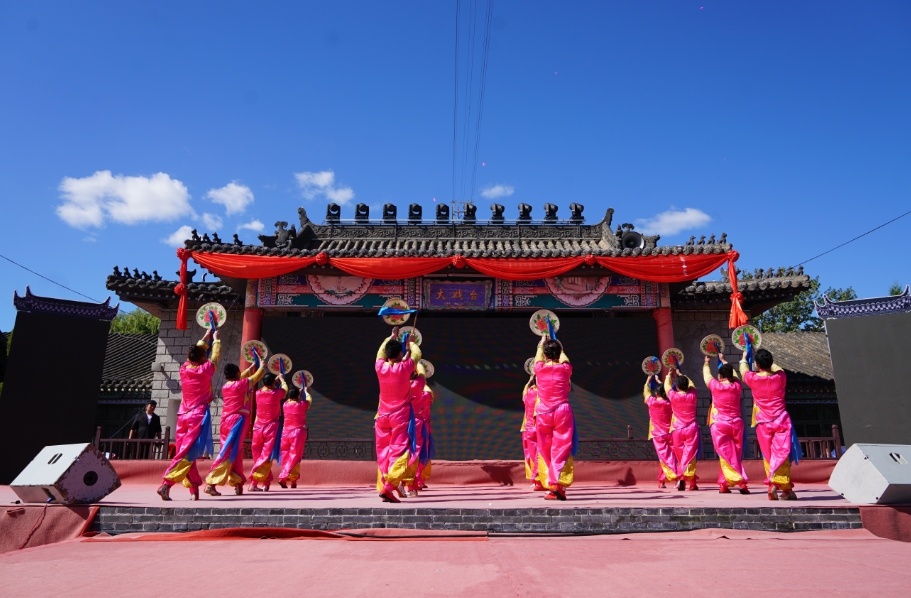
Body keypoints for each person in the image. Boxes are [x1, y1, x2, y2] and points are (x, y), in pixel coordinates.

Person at [157, 328, 220, 501]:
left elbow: (196, 355)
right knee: (186, 453)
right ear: (202, 358)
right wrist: (216, 340)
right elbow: (215, 357)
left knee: (186, 451)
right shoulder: (205, 369)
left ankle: (193, 490)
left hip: (183, 415)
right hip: (197, 415)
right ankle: (166, 483)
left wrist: (205, 337)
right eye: (204, 355)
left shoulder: (184, 368)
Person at [203, 354, 265, 497]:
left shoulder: (227, 386)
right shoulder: (240, 385)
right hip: (236, 421)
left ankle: (237, 482)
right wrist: (262, 366)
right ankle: (211, 483)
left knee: (235, 451)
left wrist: (250, 367)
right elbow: (256, 377)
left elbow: (243, 377)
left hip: (226, 421)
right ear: (236, 373)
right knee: (228, 452)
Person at [740, 348, 799, 500]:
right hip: (781, 419)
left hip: (763, 422)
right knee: (782, 453)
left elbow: (743, 370)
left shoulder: (753, 378)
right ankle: (785, 488)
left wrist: (744, 357)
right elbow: (778, 368)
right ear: (771, 362)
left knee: (768, 455)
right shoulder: (780, 377)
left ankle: (772, 484)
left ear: (757, 365)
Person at [374, 326, 422, 503]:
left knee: (383, 452)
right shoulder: (405, 367)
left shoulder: (379, 366)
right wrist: (411, 343)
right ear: (400, 354)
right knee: (400, 452)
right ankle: (389, 487)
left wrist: (391, 337)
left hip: (382, 416)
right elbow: (417, 354)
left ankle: (387, 484)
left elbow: (380, 352)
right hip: (400, 416)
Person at [534, 338, 575, 501]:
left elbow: (538, 357)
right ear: (559, 353)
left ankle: (552, 485)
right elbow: (565, 358)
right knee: (561, 448)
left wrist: (541, 344)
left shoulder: (539, 368)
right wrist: (559, 345)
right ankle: (557, 484)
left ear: (545, 355)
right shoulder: (566, 369)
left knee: (545, 448)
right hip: (562, 411)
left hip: (544, 413)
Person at [703, 355, 749, 494]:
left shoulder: (715, 385)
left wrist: (706, 362)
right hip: (736, 424)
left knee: (726, 455)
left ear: (720, 376)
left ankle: (740, 482)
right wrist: (724, 361)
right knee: (734, 454)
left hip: (720, 425)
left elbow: (706, 375)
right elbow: (734, 375)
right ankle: (724, 484)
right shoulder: (737, 386)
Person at [248, 372, 288, 492]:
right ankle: (254, 482)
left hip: (257, 428)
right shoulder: (276, 393)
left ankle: (265, 482)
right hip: (271, 428)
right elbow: (285, 390)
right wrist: (282, 379)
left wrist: (274, 382)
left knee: (258, 457)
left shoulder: (257, 393)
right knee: (266, 457)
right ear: (273, 383)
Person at [665, 366, 699, 491]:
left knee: (680, 456)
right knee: (690, 456)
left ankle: (682, 478)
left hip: (677, 429)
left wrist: (669, 375)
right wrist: (681, 374)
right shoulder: (693, 394)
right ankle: (692, 482)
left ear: (677, 387)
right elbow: (692, 384)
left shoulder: (673, 395)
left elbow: (667, 386)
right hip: (691, 429)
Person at [403, 362, 434, 497]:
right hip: (417, 424)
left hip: (403, 423)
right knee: (417, 453)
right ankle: (412, 482)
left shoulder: (401, 388)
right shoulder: (424, 392)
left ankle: (411, 482)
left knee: (406, 452)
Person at [643, 375, 677, 489]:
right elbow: (667, 389)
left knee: (664, 457)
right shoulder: (669, 402)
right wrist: (659, 381)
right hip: (670, 433)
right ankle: (664, 480)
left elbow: (646, 392)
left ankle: (675, 477)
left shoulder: (652, 401)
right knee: (671, 457)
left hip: (658, 435)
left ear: (656, 393)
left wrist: (648, 381)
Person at [278, 386, 312, 488]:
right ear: (297, 396)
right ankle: (284, 477)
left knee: (285, 457)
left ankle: (292, 481)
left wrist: (298, 393)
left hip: (285, 433)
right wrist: (305, 392)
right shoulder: (301, 405)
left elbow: (291, 399)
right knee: (295, 457)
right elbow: (309, 400)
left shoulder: (285, 405)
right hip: (297, 433)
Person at [521, 375, 544, 491]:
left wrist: (529, 381)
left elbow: (524, 395)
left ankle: (536, 481)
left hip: (529, 428)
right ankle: (540, 481)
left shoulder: (528, 391)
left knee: (531, 454)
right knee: (541, 455)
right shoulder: (543, 392)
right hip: (539, 426)